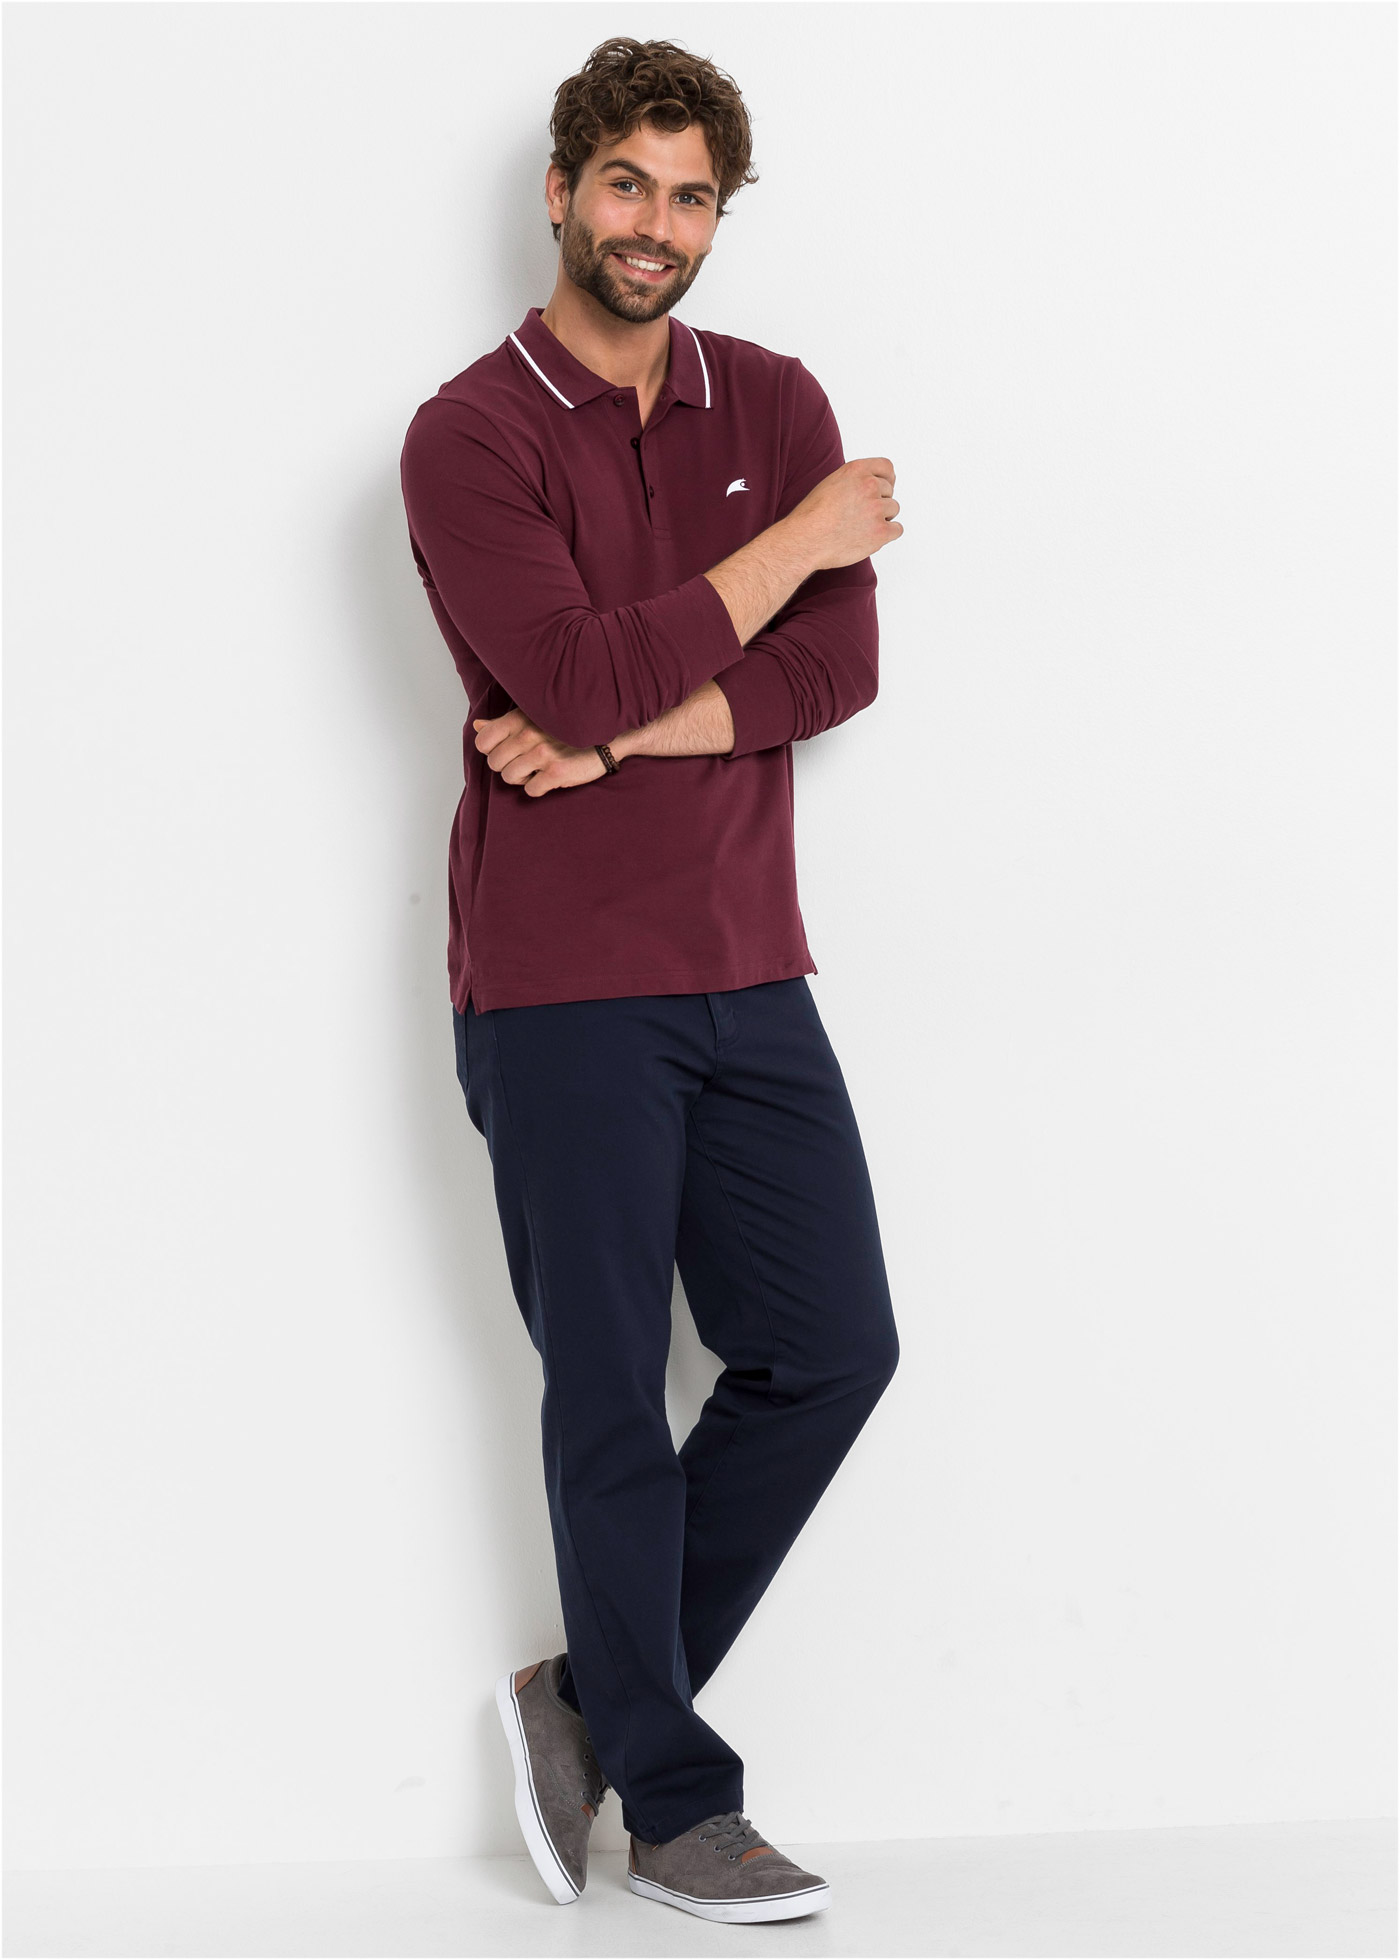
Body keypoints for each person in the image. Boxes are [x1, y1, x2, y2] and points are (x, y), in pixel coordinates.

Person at [399, 35, 904, 1927]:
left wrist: (623, 732)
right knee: (609, 1386)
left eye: (693, 197)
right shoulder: (468, 434)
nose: (658, 226)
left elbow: (837, 672)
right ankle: (677, 1803)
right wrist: (796, 542)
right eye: (629, 184)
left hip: (749, 962)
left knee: (832, 1348)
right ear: (562, 190)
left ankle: (588, 1697)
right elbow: (569, 671)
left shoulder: (771, 393)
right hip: (557, 985)